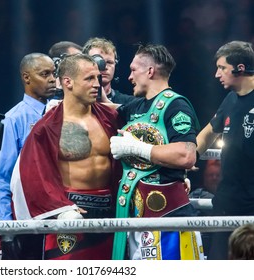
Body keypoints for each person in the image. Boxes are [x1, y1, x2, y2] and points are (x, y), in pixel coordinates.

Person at [11, 53, 122, 259]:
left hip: (111, 210)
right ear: (67, 82)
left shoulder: (111, 119)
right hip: (70, 211)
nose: (97, 84)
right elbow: (33, 174)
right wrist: (62, 209)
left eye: (97, 78)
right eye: (89, 78)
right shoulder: (48, 127)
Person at [108, 43, 204, 260]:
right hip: (136, 218)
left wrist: (136, 148)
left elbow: (186, 155)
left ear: (150, 71)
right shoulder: (136, 106)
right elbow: (104, 107)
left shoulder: (177, 106)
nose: (129, 77)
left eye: (133, 70)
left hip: (168, 216)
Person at [0, 52, 56, 258]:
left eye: (53, 73)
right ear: (27, 78)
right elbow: (1, 177)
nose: (52, 79)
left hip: (62, 213)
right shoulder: (13, 120)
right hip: (28, 217)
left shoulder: (62, 113)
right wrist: (6, 228)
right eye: (45, 74)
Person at [196, 40, 254, 260]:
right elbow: (209, 131)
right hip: (227, 203)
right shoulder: (230, 99)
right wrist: (189, 158)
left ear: (239, 68)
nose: (216, 74)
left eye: (222, 68)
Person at [83, 37, 133, 104]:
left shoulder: (129, 103)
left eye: (109, 62)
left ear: (116, 65)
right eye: (98, 61)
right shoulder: (73, 101)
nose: (105, 67)